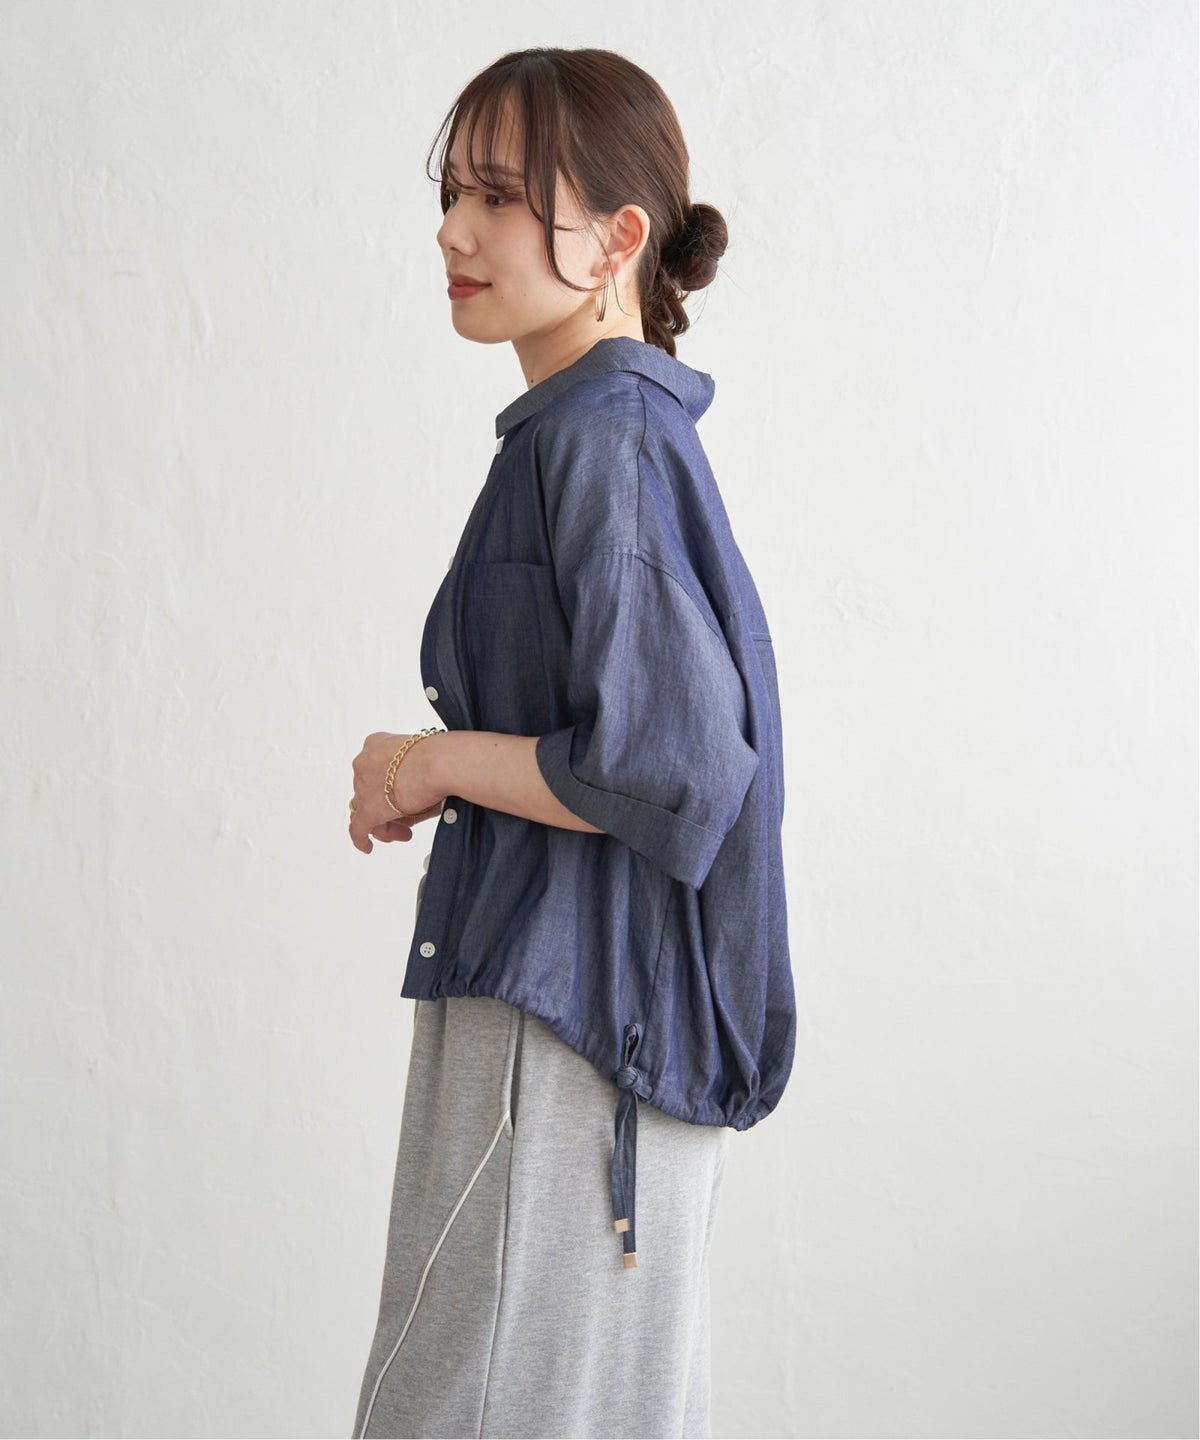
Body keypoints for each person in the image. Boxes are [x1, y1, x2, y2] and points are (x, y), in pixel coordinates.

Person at [347, 46, 796, 1440]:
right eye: (451, 192)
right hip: (581, 1027)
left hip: (568, 1036)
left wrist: (429, 762)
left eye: (496, 196)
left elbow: (669, 768)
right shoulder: (591, 435)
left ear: (616, 240)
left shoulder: (604, 440)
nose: (453, 230)